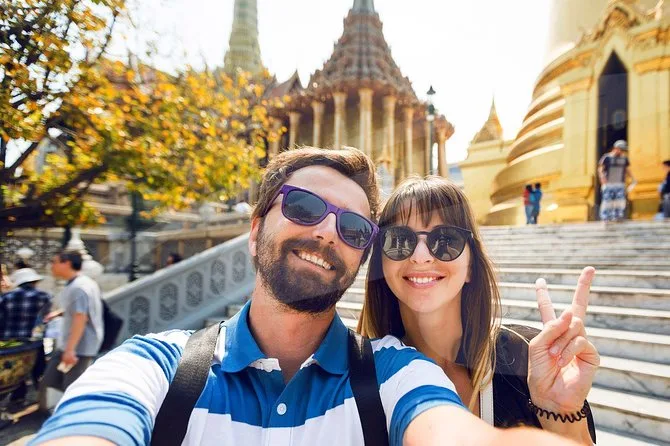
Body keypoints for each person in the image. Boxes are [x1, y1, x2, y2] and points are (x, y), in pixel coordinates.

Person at [31, 147, 575, 446]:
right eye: (304, 207)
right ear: (254, 230)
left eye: (354, 228)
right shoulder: (156, 368)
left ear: (361, 255)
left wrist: (558, 411)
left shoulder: (394, 372)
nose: (327, 233)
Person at [358, 176, 598, 444]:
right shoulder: (362, 377)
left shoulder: (528, 358)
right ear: (382, 265)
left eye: (445, 240)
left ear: (471, 266)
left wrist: (561, 415)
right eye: (399, 240)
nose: (420, 256)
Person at [38, 250, 104, 412]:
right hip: (73, 345)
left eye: (54, 262)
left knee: (71, 388)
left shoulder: (78, 287)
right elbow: (79, 310)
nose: (51, 266)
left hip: (77, 348)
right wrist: (60, 313)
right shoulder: (82, 283)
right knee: (51, 382)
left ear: (66, 263)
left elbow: (80, 318)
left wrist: (70, 350)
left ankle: (71, 417)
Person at [0, 267, 52, 405]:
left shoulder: (6, 297)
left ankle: (18, 397)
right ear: (34, 282)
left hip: (11, 340)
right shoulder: (44, 296)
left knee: (15, 370)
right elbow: (45, 318)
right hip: (34, 340)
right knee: (39, 368)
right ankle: (44, 398)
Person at [598, 140, 635, 222]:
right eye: (621, 150)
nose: (623, 152)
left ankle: (618, 217)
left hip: (620, 183)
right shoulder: (606, 157)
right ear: (616, 148)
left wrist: (633, 178)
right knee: (607, 201)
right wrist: (602, 179)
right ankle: (606, 218)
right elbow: (600, 169)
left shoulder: (624, 158)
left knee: (620, 201)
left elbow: (627, 169)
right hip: (609, 183)